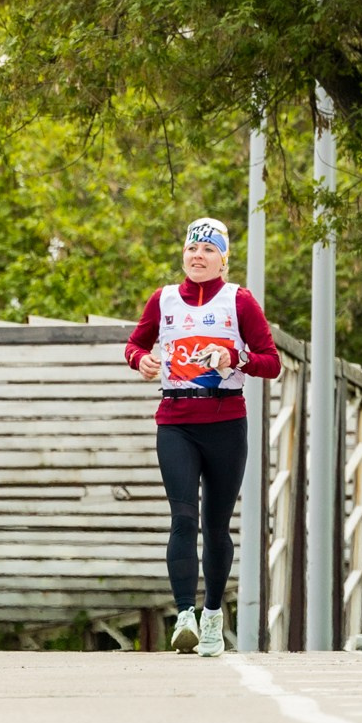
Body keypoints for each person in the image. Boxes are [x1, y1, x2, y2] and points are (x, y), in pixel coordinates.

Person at [126, 217, 283, 656]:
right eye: (192, 248)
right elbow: (135, 344)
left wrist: (234, 357)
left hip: (225, 422)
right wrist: (140, 360)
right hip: (175, 421)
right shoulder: (163, 300)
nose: (198, 256)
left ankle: (212, 615)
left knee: (215, 526)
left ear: (223, 259)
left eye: (208, 249)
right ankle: (184, 616)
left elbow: (271, 362)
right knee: (183, 519)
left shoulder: (239, 301)